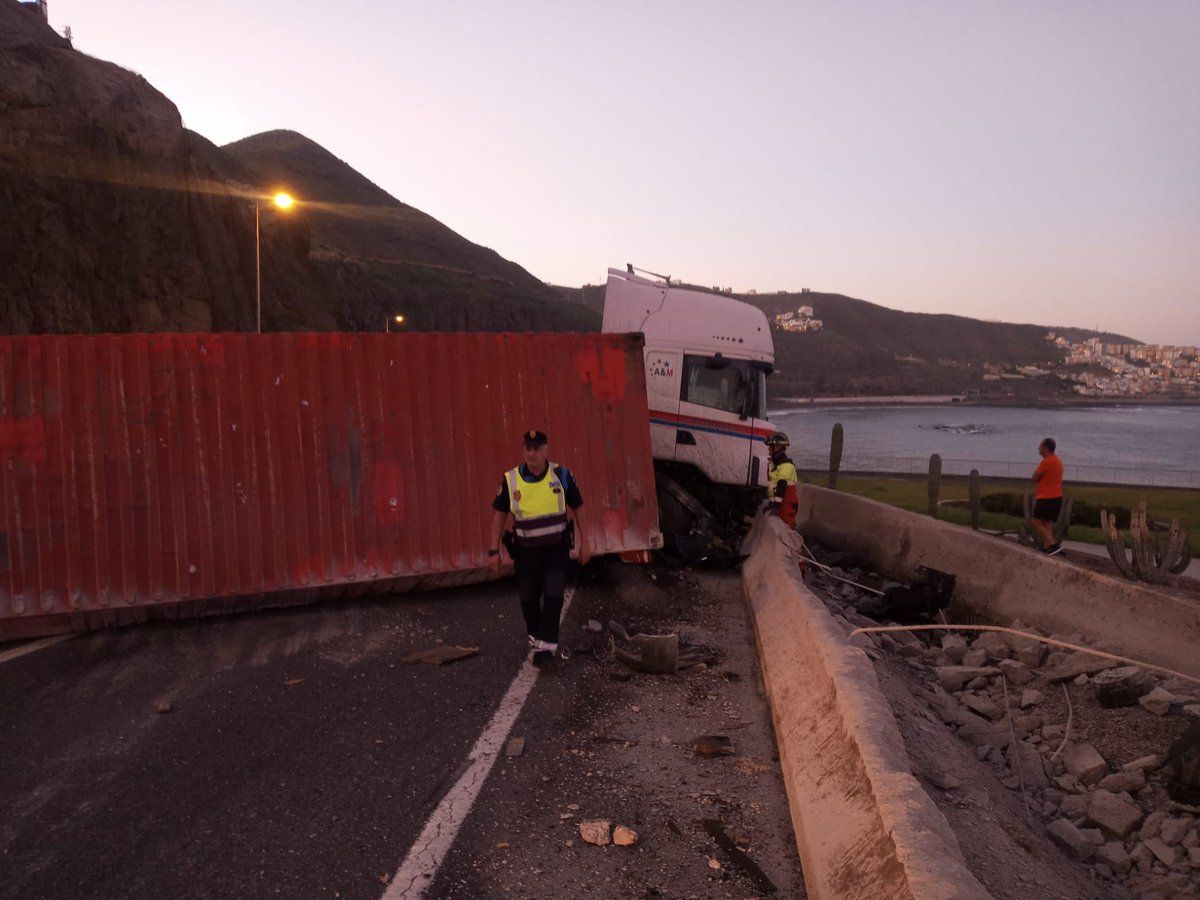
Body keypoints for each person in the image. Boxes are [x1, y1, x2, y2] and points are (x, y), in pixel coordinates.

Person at [488, 429, 589, 668]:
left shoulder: (561, 475)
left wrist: (586, 543)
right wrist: (493, 551)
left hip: (556, 550)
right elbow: (499, 515)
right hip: (526, 553)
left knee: (554, 598)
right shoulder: (511, 480)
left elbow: (579, 507)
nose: (531, 453)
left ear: (546, 450)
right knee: (529, 599)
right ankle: (537, 635)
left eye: (537, 448)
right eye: (528, 448)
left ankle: (544, 651)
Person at [1031, 437, 1064, 555]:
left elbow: (1035, 476)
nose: (1038, 448)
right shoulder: (1057, 461)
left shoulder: (1047, 461)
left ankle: (1053, 544)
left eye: (1040, 446)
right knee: (1047, 523)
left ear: (1046, 448)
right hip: (1057, 497)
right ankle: (1048, 548)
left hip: (1046, 497)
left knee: (1035, 522)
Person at [766, 431, 799, 528]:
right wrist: (771, 503)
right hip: (781, 504)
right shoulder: (777, 464)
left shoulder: (786, 465)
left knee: (786, 529)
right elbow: (773, 486)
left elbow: (782, 485)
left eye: (770, 447)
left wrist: (776, 506)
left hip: (786, 504)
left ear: (777, 447)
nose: (768, 449)